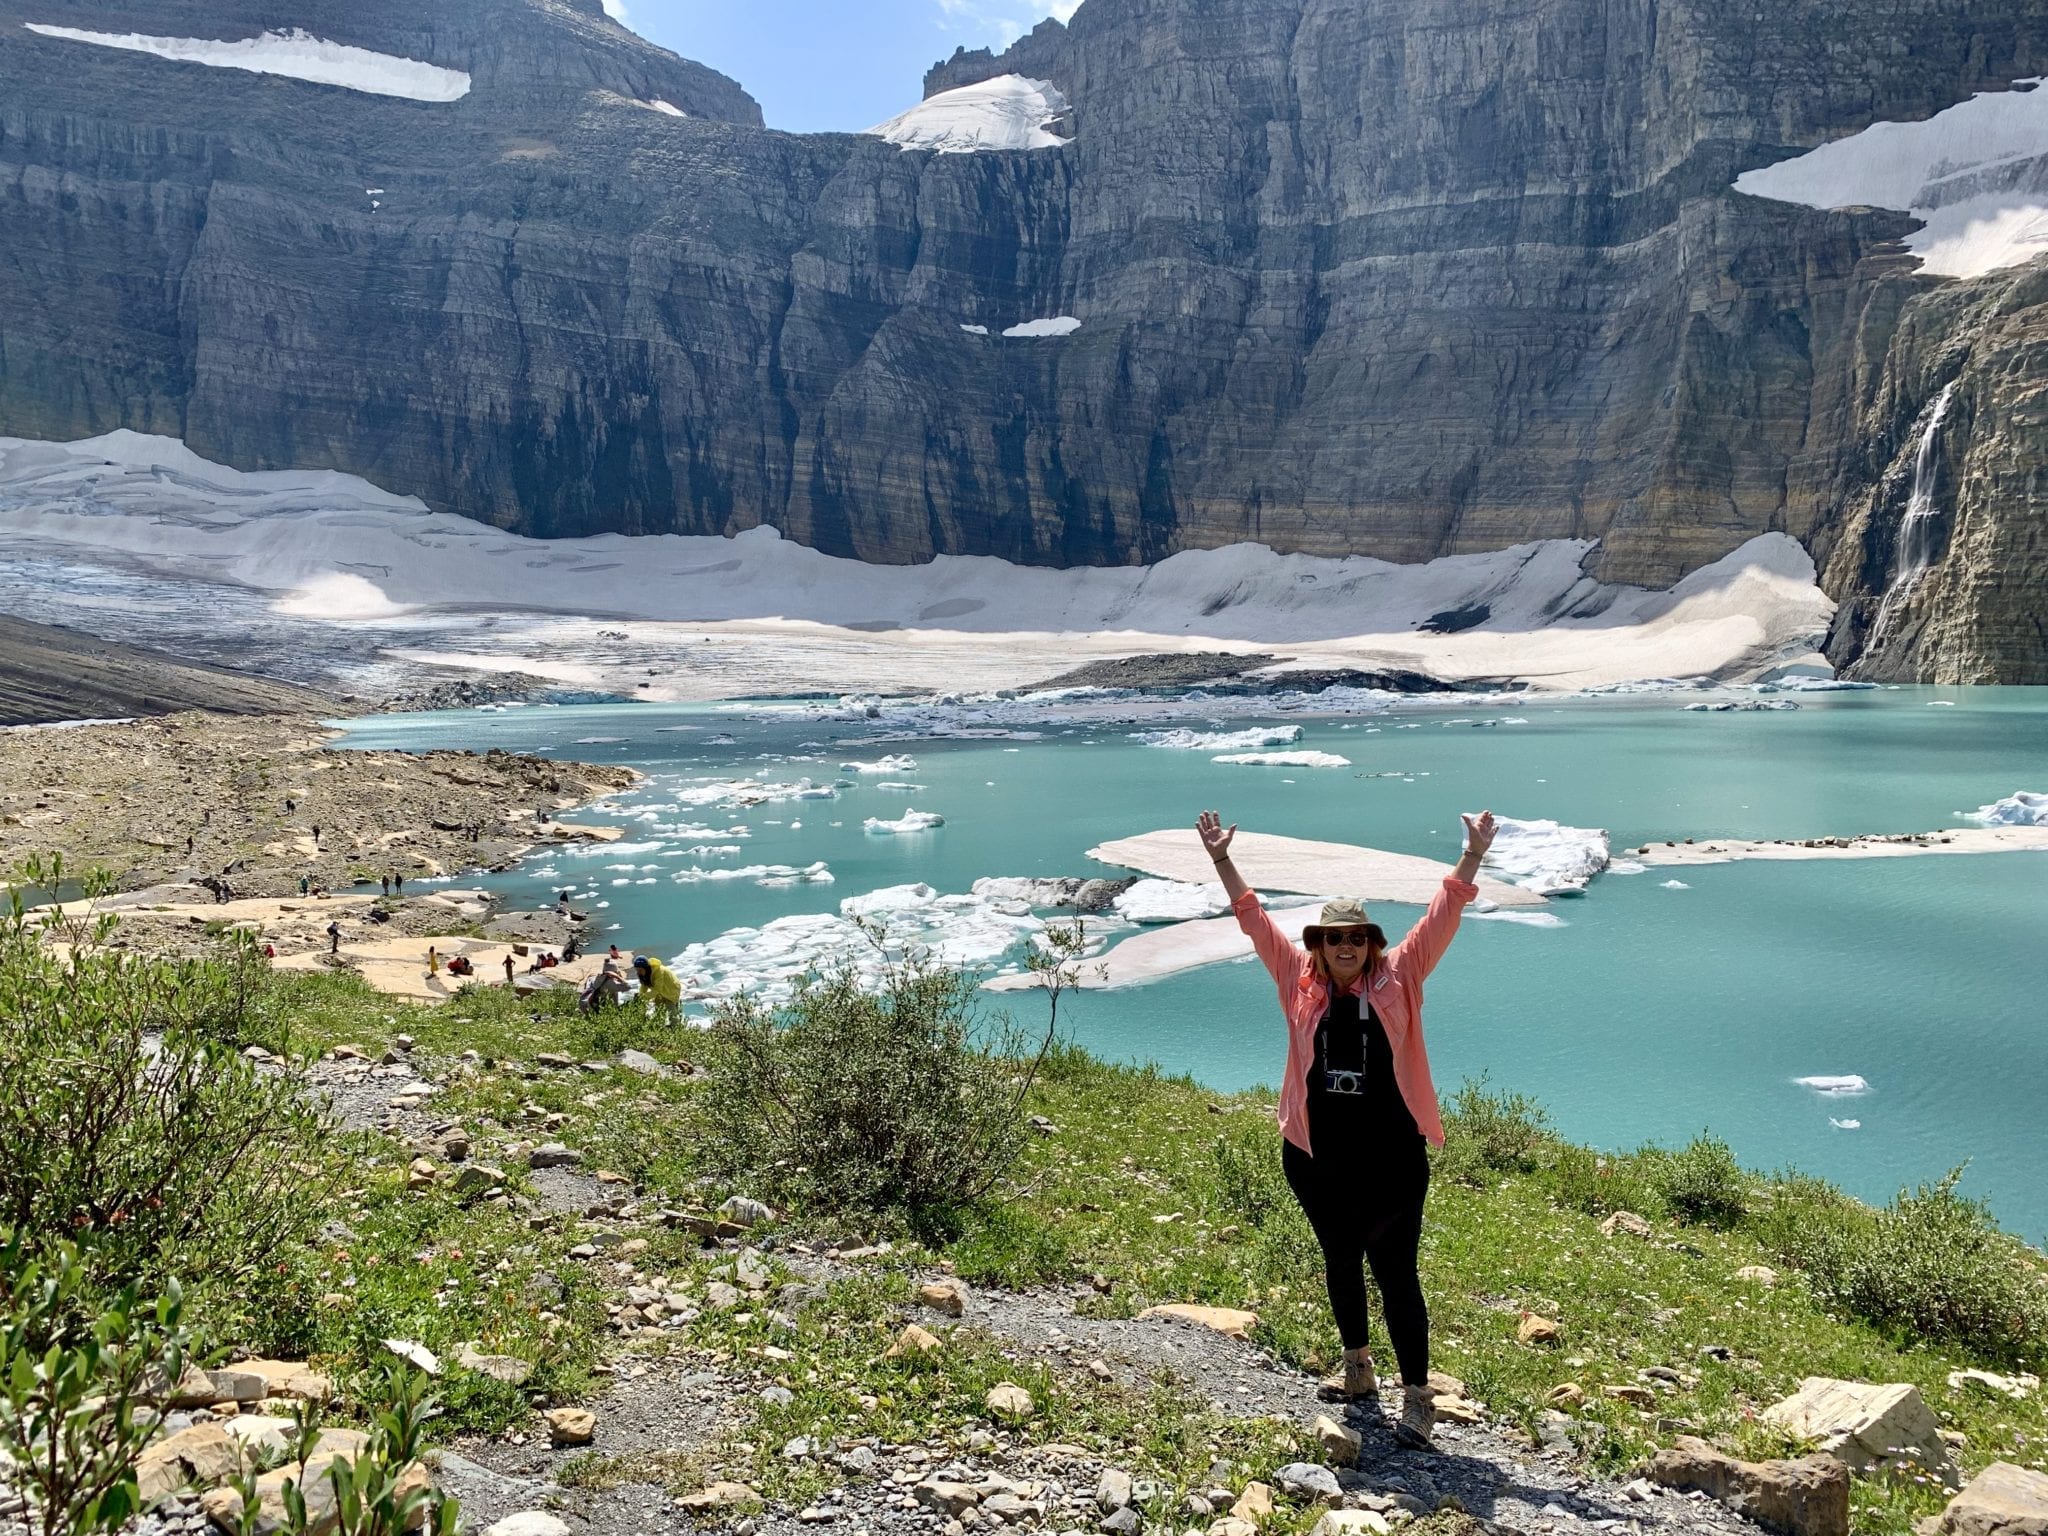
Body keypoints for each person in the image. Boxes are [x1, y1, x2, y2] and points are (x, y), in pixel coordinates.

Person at [1196, 806, 1499, 1451]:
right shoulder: (1296, 982)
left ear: (1371, 943)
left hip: (1391, 1159)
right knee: (1338, 1257)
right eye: (1333, 939)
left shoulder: (1401, 979)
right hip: (1316, 1154)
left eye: (1356, 938)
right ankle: (1358, 1370)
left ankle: (1418, 1396)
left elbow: (1443, 915)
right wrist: (1222, 859)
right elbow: (1254, 920)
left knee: (1396, 1270)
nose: (1344, 947)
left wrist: (1471, 854)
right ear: (1317, 946)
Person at [632, 954, 683, 1022]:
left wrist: (642, 997)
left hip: (671, 989)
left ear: (646, 968)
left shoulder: (658, 971)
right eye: (637, 970)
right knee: (658, 1007)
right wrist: (640, 995)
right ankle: (659, 1024)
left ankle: (675, 1027)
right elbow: (644, 986)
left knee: (671, 1007)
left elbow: (657, 989)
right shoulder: (644, 973)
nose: (638, 972)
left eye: (640, 970)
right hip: (661, 991)